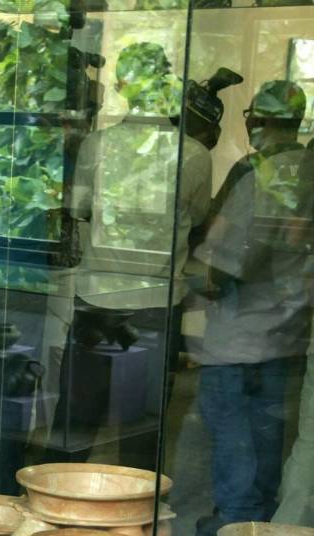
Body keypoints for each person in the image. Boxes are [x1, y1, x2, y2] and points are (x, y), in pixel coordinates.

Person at [46, 42, 212, 471]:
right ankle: (132, 519)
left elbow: (78, 211)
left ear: (122, 86)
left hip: (99, 295)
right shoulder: (193, 153)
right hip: (156, 300)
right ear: (167, 85)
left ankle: (56, 506)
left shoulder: (97, 146)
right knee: (142, 423)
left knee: (77, 418)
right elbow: (196, 220)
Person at [192, 80, 314, 536]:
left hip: (239, 329)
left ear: (256, 119)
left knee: (230, 427)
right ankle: (261, 520)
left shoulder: (254, 171)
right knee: (269, 430)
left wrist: (203, 277)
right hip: (289, 328)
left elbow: (226, 254)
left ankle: (234, 527)